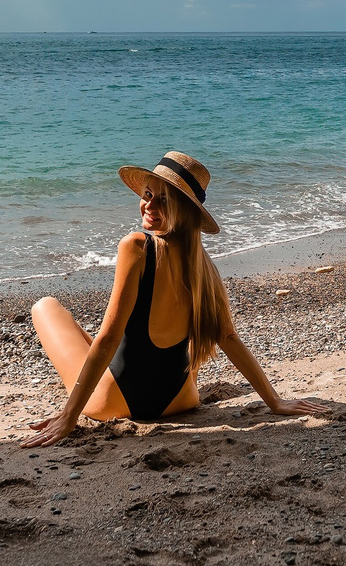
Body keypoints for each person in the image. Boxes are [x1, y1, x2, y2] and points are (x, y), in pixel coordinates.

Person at [21, 151, 320, 447]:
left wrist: (68, 417)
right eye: (148, 194)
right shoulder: (204, 268)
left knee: (46, 306)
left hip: (117, 401)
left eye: (163, 199)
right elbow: (227, 336)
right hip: (180, 399)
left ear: (183, 209)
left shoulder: (136, 246)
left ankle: (82, 394)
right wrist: (275, 401)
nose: (149, 204)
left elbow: (109, 337)